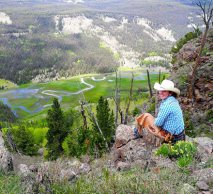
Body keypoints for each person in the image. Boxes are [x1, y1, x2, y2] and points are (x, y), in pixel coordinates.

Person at [134, 79, 185, 144]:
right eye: (161, 90)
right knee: (150, 118)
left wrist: (153, 121)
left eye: (164, 91)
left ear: (170, 93)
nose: (160, 92)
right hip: (180, 135)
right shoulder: (173, 100)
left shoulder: (167, 105)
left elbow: (158, 123)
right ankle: (138, 130)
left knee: (146, 116)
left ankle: (138, 132)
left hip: (172, 138)